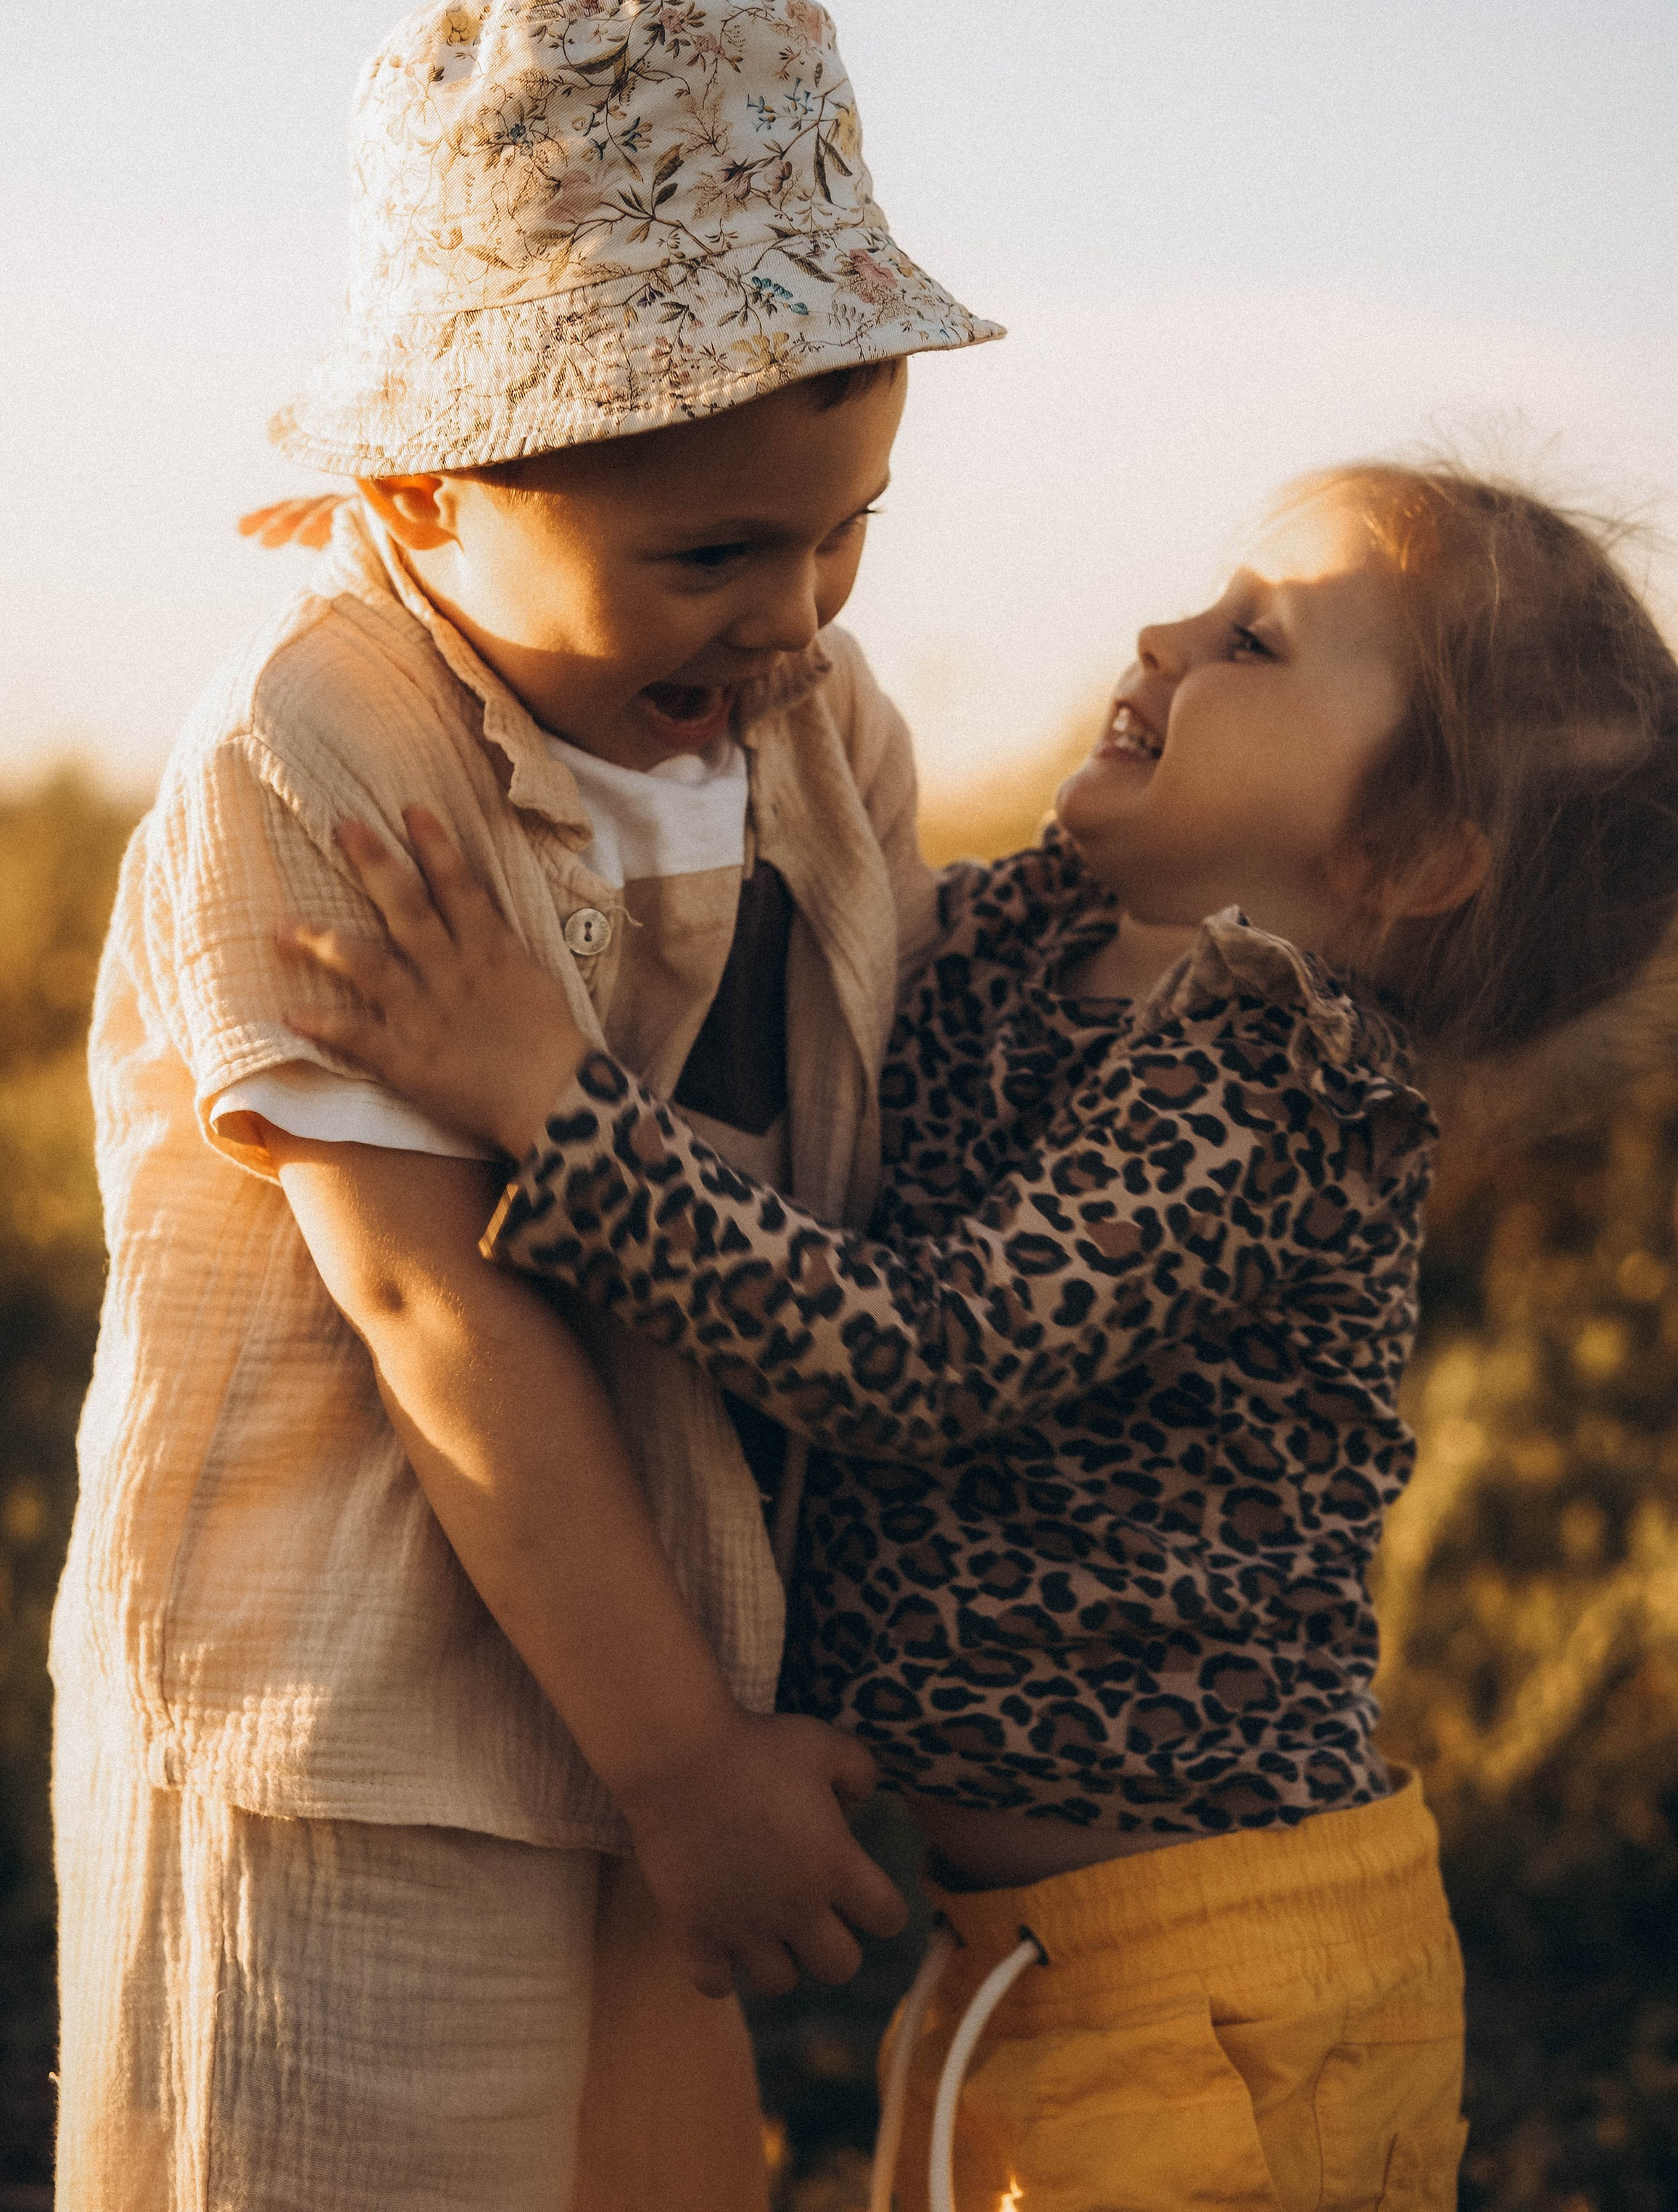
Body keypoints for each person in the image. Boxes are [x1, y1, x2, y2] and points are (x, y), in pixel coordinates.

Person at [283, 462, 1678, 2211]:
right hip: (1038, 1954)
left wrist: (546, 1102)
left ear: (1400, 855)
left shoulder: (1272, 1078)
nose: (1162, 636)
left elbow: (919, 1359)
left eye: (1251, 640)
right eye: (1205, 597)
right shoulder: (1035, 935)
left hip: (1217, 1980)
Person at [50, 0, 1007, 2212]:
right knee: (345, 2152)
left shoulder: (813, 720)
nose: (791, 610)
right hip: (363, 1694)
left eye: (846, 524)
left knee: (638, 2169)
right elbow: (420, 1305)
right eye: (707, 552)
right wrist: (679, 1760)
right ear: (426, 485)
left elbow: (857, 1094)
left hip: (681, 1613)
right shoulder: (332, 743)